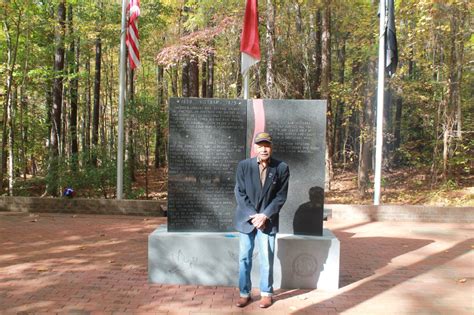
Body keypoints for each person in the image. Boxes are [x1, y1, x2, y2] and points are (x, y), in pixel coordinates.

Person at [234, 132, 290, 308]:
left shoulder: (281, 168)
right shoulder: (244, 166)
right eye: (260, 145)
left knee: (267, 258)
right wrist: (254, 215)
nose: (264, 148)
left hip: (268, 221)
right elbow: (239, 193)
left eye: (267, 145)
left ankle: (266, 293)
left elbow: (281, 196)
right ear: (255, 147)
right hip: (246, 220)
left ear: (271, 147)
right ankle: (245, 293)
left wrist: (265, 215)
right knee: (245, 258)